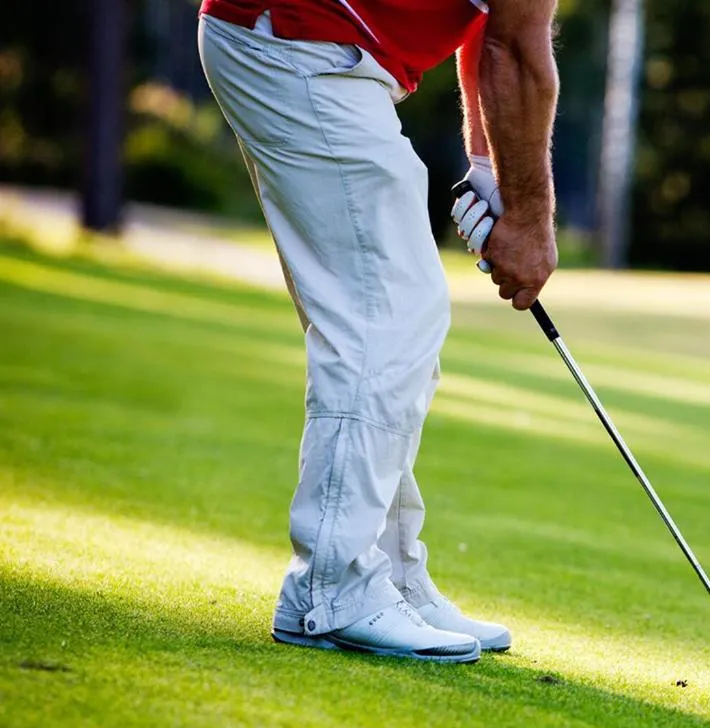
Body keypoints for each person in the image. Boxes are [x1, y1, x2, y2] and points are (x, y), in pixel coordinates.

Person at [197, 0, 558, 664]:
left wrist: (490, 170)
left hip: (311, 48)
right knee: (385, 316)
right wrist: (531, 220)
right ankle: (330, 592)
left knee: (396, 320)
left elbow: (489, 27)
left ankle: (384, 575)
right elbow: (516, 47)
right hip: (300, 43)